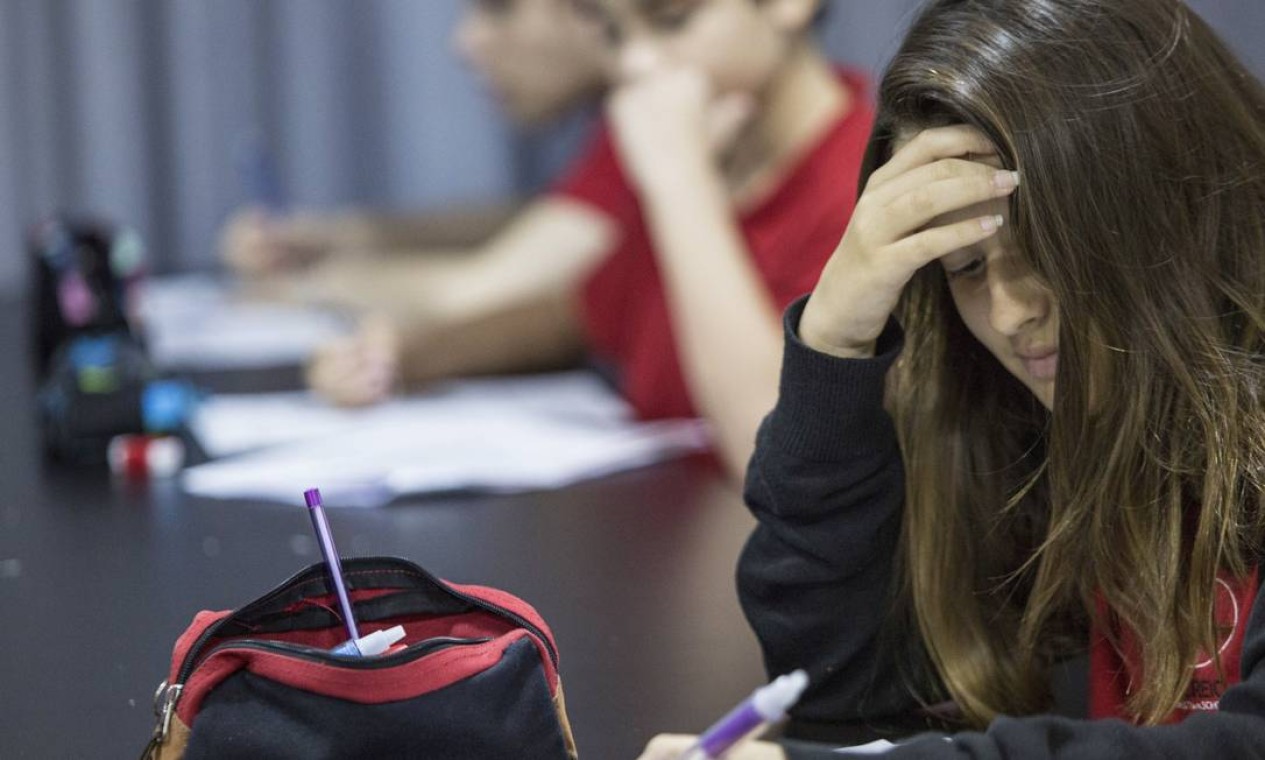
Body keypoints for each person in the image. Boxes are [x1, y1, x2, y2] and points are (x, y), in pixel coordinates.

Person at [638, 0, 1265, 757]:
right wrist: (832, 338)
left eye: (1044, 246)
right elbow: (843, 698)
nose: (1007, 312)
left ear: (1170, 203)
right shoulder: (1018, 431)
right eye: (964, 269)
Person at [290, 0, 873, 478]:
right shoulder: (712, 153)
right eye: (617, 34)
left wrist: (680, 180)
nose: (638, 64)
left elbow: (769, 442)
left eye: (673, 21)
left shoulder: (864, 185)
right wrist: (408, 354)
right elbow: (580, 317)